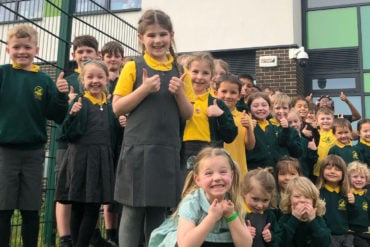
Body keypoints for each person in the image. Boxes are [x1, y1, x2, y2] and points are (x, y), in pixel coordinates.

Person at [112, 9, 195, 246]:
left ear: (171, 35)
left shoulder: (180, 71)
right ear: (141, 38)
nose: (157, 40)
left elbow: (188, 113)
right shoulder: (133, 67)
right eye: (151, 35)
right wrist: (144, 89)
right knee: (132, 211)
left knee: (158, 213)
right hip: (137, 149)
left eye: (162, 35)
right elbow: (117, 107)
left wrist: (179, 92)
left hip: (166, 149)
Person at [0, 24, 69, 247]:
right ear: (8, 49)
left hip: (33, 153)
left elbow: (57, 116)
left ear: (36, 50)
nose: (22, 51)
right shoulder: (3, 74)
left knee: (31, 210)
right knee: (4, 208)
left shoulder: (44, 81)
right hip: (5, 152)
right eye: (16, 47)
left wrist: (60, 94)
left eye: (27, 47)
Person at [55, 59, 123, 246]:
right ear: (82, 80)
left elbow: (114, 136)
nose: (95, 81)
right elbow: (65, 134)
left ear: (107, 79)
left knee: (93, 208)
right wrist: (72, 115)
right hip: (79, 159)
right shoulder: (78, 102)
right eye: (90, 77)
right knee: (77, 207)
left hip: (101, 160)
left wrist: (121, 125)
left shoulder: (111, 107)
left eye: (100, 77)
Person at [149, 147, 253, 247]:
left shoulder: (234, 201)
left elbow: (246, 245)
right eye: (209, 173)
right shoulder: (192, 203)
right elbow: (185, 245)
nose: (217, 178)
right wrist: (211, 217)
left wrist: (231, 216)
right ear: (197, 179)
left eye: (223, 172)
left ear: (232, 175)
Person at [54, 34, 101, 247]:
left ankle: (89, 236)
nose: (84, 55)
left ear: (97, 54)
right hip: (69, 146)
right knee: (66, 192)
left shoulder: (101, 79)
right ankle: (66, 238)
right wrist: (61, 96)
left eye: (88, 51)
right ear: (74, 55)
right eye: (80, 52)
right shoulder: (68, 80)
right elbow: (56, 113)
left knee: (89, 194)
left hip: (93, 147)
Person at [181, 52, 237, 173]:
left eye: (205, 73)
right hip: (182, 152)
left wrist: (221, 115)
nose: (199, 77)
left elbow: (230, 135)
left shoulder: (217, 103)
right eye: (195, 72)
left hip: (209, 152)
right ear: (186, 72)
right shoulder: (179, 98)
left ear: (212, 76)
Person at [100, 40, 126, 246]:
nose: (113, 59)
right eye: (109, 55)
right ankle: (110, 234)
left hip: (122, 140)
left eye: (117, 55)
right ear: (102, 57)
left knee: (119, 188)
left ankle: (119, 233)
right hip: (103, 138)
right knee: (108, 190)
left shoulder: (125, 81)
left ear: (122, 59)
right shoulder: (97, 79)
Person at [246, 92, 302, 170]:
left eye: (284, 108)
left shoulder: (277, 128)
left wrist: (286, 129)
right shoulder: (249, 126)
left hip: (280, 170)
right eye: (278, 108)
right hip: (255, 171)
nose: (260, 108)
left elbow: (297, 152)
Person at [215, 73, 255, 177]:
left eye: (233, 93)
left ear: (239, 96)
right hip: (215, 172)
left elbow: (250, 146)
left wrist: (248, 128)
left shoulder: (244, 117)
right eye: (224, 91)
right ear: (215, 92)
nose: (228, 96)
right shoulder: (211, 114)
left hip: (238, 173)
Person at [279, 177, 331, 247]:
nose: (302, 200)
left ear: (314, 201)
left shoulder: (318, 219)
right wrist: (294, 219)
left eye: (307, 197)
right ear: (289, 199)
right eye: (297, 196)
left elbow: (325, 243)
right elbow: (280, 242)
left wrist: (313, 221)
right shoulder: (285, 218)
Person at [316, 154, 354, 247]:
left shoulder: (347, 194)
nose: (332, 172)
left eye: (337, 169)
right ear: (322, 171)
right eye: (328, 168)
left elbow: (353, 215)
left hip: (346, 235)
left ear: (343, 173)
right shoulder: (317, 193)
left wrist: (352, 203)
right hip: (327, 236)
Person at [241, 168, 281, 247]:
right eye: (255, 199)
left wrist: (271, 236)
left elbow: (279, 238)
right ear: (244, 192)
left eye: (265, 200)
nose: (260, 205)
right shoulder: (237, 212)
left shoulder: (269, 216)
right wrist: (243, 233)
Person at [287, 109, 318, 179]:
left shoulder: (306, 141)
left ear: (300, 122)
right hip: (289, 176)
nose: (293, 124)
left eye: (295, 121)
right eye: (289, 122)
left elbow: (312, 162)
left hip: (304, 176)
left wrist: (313, 150)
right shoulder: (284, 140)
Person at [347, 161, 370, 247]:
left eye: (362, 177)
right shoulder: (347, 194)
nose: (359, 179)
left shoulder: (366, 196)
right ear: (348, 178)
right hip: (352, 233)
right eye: (355, 177)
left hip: (365, 231)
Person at [313, 107, 336, 179]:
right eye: (322, 119)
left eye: (328, 118)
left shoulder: (336, 134)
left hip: (333, 170)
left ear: (333, 121)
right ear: (317, 121)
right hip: (316, 170)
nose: (325, 121)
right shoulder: (314, 133)